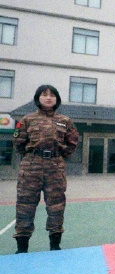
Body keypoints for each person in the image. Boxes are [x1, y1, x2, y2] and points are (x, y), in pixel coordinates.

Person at [12, 85, 79, 253]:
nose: (48, 98)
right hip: (31, 166)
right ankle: (22, 247)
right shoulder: (27, 119)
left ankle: (55, 245)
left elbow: (73, 142)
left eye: (52, 95)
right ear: (38, 98)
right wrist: (32, 155)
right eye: (44, 95)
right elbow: (18, 143)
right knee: (25, 205)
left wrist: (59, 156)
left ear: (57, 99)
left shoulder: (65, 121)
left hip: (55, 167)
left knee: (56, 206)